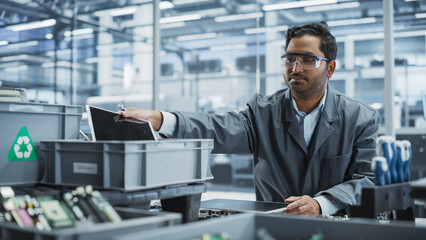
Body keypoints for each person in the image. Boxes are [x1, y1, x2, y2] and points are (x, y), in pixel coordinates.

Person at [121, 22, 379, 216]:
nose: (296, 68)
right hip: (273, 225)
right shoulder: (263, 111)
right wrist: (160, 119)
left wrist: (321, 203)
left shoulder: (359, 118)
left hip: (334, 227)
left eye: (308, 60)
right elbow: (218, 128)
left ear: (330, 68)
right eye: (290, 59)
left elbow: (366, 179)